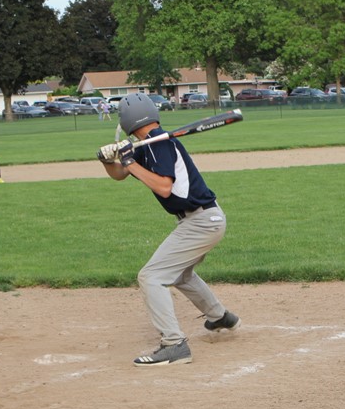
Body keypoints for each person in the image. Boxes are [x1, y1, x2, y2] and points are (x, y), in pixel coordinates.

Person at [95, 93, 240, 367]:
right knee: (181, 275)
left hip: (200, 221)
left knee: (151, 277)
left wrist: (129, 162)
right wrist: (108, 160)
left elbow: (163, 186)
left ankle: (174, 344)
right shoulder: (147, 145)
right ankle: (219, 317)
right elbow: (120, 174)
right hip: (201, 220)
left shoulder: (159, 144)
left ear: (128, 119)